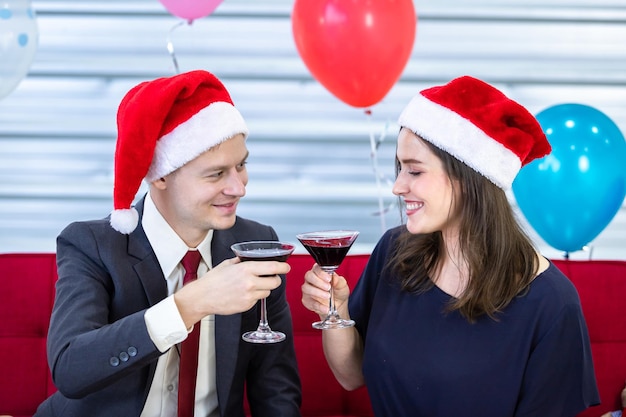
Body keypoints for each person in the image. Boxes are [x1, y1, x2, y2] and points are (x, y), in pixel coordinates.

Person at [301, 76, 600, 416]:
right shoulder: (394, 251)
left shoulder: (551, 304)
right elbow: (352, 376)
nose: (398, 186)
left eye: (414, 171)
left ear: (467, 180)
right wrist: (334, 312)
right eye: (400, 168)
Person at [35, 70, 301, 416]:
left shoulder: (256, 244)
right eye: (217, 173)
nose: (239, 187)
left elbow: (275, 388)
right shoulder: (91, 245)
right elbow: (70, 368)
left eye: (241, 165)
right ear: (159, 175)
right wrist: (188, 305)